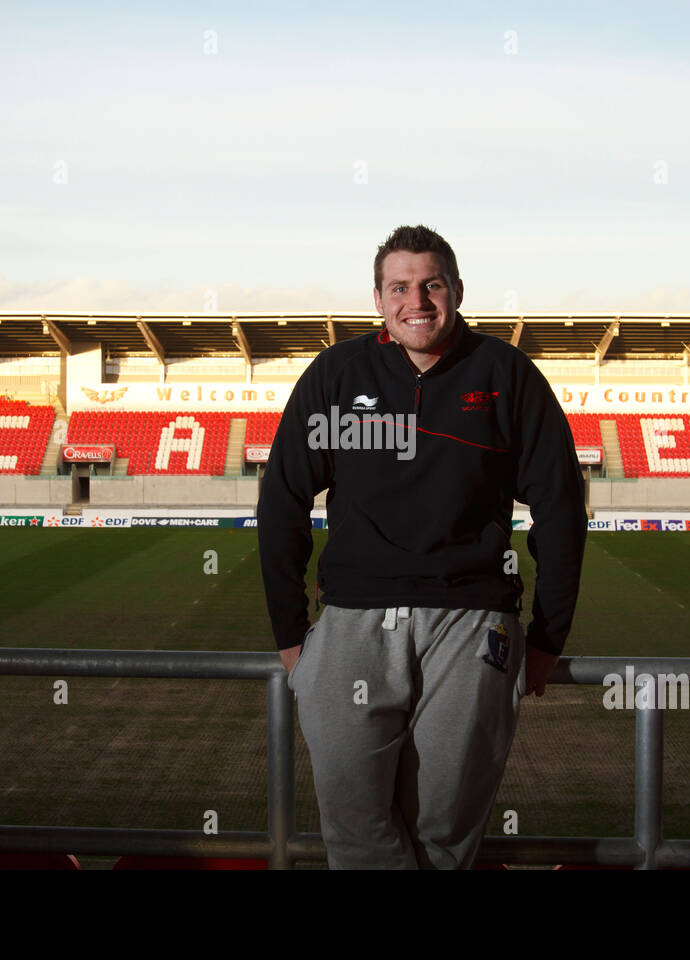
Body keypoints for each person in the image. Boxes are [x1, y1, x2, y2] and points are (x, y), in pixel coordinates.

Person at [257, 224, 587, 869]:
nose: (417, 301)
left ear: (457, 290)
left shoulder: (508, 374)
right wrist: (291, 632)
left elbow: (560, 509)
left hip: (472, 623)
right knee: (355, 831)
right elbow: (282, 501)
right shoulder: (336, 374)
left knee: (445, 831)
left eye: (431, 285)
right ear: (378, 298)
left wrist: (549, 637)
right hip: (351, 625)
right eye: (399, 287)